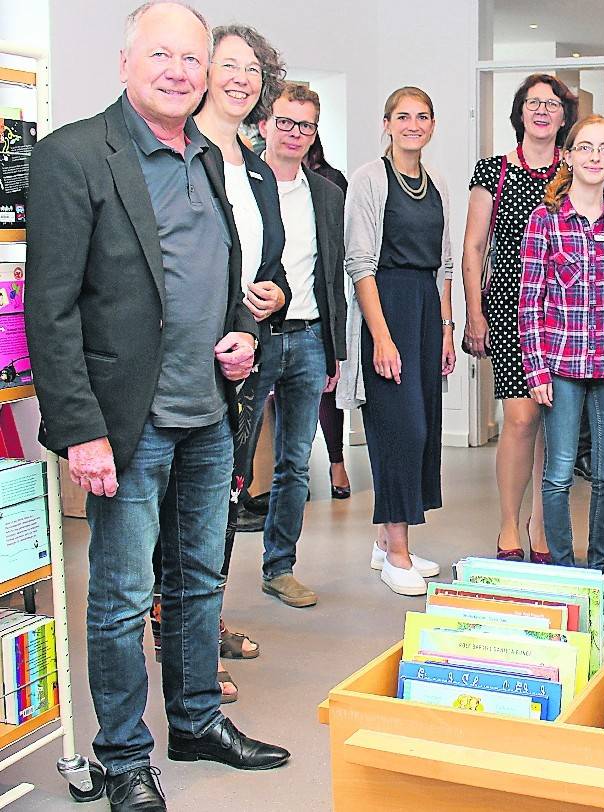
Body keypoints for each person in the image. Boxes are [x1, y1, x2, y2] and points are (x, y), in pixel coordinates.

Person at [25, 3, 289, 808]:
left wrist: (243, 329)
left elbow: (225, 268)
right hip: (124, 423)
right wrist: (81, 432)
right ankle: (122, 756)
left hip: (208, 412)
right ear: (124, 62)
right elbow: (52, 308)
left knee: (200, 581)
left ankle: (197, 721)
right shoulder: (75, 156)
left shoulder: (208, 155)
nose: (179, 71)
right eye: (161, 55)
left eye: (192, 58)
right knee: (119, 598)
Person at [155, 21, 290, 704]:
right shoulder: (180, 150)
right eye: (229, 65)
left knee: (220, 502)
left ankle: (200, 621)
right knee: (181, 511)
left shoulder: (259, 166)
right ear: (205, 72)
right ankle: (183, 633)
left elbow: (263, 260)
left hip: (243, 355)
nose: (241, 79)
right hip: (182, 355)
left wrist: (277, 294)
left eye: (253, 70)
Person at [519, 115, 604, 573]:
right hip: (560, 366)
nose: (595, 156)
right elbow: (530, 301)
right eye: (586, 147)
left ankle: (598, 568)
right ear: (569, 156)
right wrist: (535, 370)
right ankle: (561, 568)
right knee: (556, 476)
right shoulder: (545, 221)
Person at [339, 86, 456, 595]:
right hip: (385, 309)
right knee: (399, 429)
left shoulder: (438, 184)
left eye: (422, 116)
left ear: (432, 125)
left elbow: (445, 264)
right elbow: (359, 263)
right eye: (402, 116)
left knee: (424, 428)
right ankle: (397, 551)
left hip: (427, 311)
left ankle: (389, 540)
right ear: (386, 123)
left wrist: (447, 329)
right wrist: (381, 338)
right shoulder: (368, 180)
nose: (413, 124)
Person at [461, 74, 577, 564]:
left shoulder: (575, 170)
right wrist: (473, 313)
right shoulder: (493, 171)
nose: (543, 110)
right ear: (520, 112)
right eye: (534, 103)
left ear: (564, 115)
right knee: (521, 417)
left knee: (555, 421)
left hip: (565, 311)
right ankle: (509, 523)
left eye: (552, 103)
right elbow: (472, 246)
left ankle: (542, 523)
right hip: (509, 307)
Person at [247, 83, 347, 609]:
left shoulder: (327, 194)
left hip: (308, 339)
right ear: (264, 124)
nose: (294, 134)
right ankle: (205, 576)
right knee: (231, 459)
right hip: (253, 339)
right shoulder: (238, 182)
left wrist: (334, 350)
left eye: (305, 125)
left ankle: (278, 566)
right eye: (285, 122)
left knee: (292, 463)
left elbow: (333, 278)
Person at [306, 135, 353, 499]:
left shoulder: (333, 182)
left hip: (322, 299)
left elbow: (340, 249)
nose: (296, 134)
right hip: (272, 305)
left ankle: (337, 461)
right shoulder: (258, 174)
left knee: (327, 388)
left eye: (306, 126)